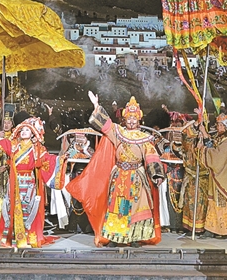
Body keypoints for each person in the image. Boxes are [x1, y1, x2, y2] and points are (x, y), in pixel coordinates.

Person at [67, 92, 165, 247]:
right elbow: (106, 125)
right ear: (124, 119)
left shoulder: (145, 138)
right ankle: (114, 236)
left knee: (136, 206)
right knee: (117, 206)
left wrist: (157, 174)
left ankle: (134, 237)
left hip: (137, 177)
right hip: (119, 176)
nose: (131, 120)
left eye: (134, 118)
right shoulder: (118, 132)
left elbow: (151, 156)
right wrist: (96, 106)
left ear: (139, 119)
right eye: (129, 118)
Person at [0, 116, 57, 248]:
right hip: (14, 181)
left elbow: (48, 160)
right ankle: (13, 236)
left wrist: (61, 159)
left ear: (32, 134)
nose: (24, 132)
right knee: (11, 207)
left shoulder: (38, 149)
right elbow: (0, 142)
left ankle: (28, 236)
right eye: (22, 130)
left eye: (27, 130)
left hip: (28, 182)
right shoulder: (13, 146)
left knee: (27, 207)